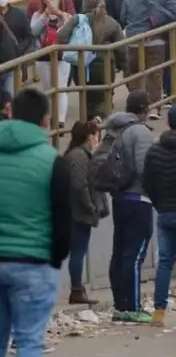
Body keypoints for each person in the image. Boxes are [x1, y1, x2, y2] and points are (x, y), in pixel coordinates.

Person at [0, 88, 71, 354]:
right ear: (45, 119)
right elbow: (63, 217)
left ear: (10, 112)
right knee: (29, 341)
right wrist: (54, 259)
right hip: (33, 262)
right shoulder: (52, 161)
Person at [105, 90, 155, 323]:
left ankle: (120, 305)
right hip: (138, 198)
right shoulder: (140, 132)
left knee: (120, 252)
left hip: (119, 197)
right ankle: (133, 306)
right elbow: (145, 167)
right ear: (145, 108)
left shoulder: (116, 129)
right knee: (134, 255)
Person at [143, 105, 176, 327]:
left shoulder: (154, 150)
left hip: (165, 212)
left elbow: (147, 183)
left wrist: (159, 204)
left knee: (165, 262)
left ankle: (159, 312)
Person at [121, 0, 176, 120]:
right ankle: (154, 108)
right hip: (156, 40)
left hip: (133, 41)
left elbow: (123, 17)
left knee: (133, 73)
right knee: (155, 74)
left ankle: (137, 106)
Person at [58, 0, 127, 121]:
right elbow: (121, 48)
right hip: (104, 67)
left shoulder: (77, 20)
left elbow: (61, 37)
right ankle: (99, 116)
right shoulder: (110, 22)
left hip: (80, 67)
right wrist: (121, 64)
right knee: (104, 95)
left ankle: (89, 124)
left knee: (86, 96)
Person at [64, 120, 109, 304]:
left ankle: (78, 289)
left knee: (79, 251)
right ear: (89, 136)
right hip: (78, 214)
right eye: (95, 135)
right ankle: (77, 289)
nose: (97, 139)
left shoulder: (77, 155)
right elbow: (79, 185)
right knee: (78, 252)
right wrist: (90, 207)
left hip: (77, 212)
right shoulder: (79, 157)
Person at [31, 0, 72, 128]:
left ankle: (60, 120)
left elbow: (70, 28)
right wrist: (45, 15)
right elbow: (33, 31)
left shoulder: (65, 15)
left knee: (61, 87)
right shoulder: (38, 15)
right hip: (43, 57)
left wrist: (59, 13)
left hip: (62, 57)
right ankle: (50, 117)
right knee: (48, 89)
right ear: (44, 0)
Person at [0, 0, 33, 94]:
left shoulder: (18, 14)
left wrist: (19, 49)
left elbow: (29, 36)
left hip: (12, 65)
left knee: (10, 97)